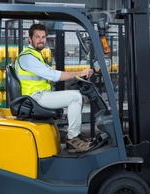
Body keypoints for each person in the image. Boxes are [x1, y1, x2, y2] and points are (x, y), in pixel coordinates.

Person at [14, 23, 93, 153]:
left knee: (75, 94)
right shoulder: (27, 57)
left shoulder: (36, 55)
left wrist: (77, 74)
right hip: (35, 97)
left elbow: (51, 72)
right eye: (37, 37)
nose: (41, 40)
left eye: (43, 37)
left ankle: (76, 136)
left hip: (39, 95)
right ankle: (73, 139)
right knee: (75, 97)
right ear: (30, 39)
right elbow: (53, 75)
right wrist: (79, 73)